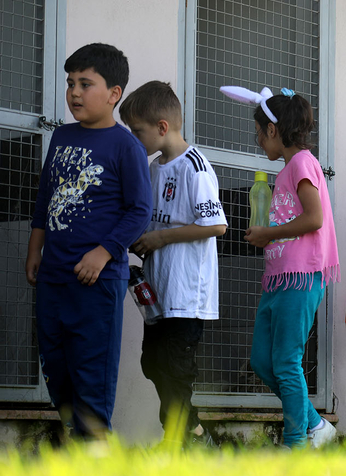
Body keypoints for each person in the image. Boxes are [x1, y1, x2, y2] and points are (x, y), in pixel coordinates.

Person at [24, 43, 152, 438]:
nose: (74, 92)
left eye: (85, 83)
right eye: (70, 83)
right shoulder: (61, 137)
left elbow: (139, 210)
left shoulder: (126, 146)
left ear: (114, 94)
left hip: (96, 286)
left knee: (91, 383)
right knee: (57, 375)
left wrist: (103, 252)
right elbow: (46, 197)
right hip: (52, 280)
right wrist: (35, 249)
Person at [220, 85, 339, 448]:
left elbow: (315, 218)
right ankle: (316, 425)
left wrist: (269, 232)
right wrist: (269, 237)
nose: (258, 141)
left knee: (286, 363)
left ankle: (296, 444)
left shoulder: (302, 162)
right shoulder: (290, 167)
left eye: (259, 133)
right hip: (280, 278)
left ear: (273, 130)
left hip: (301, 277)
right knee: (262, 360)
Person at [119, 80, 227, 446]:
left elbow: (216, 224)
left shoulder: (194, 166)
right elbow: (151, 222)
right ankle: (193, 434)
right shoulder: (152, 169)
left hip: (187, 293)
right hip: (158, 292)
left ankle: (183, 443)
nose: (134, 140)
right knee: (153, 363)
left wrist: (161, 238)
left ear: (162, 127)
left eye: (138, 132)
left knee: (176, 369)